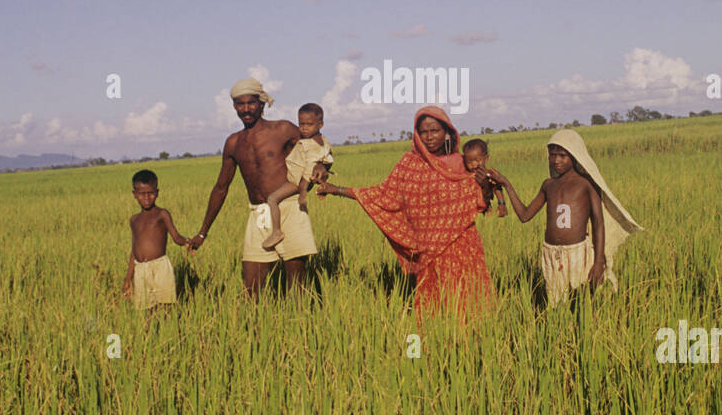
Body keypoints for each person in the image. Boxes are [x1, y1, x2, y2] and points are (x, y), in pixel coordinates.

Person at [318, 106, 494, 318]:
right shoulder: (409, 164)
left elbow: (481, 203)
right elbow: (382, 196)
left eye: (434, 131)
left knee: (467, 300)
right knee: (433, 310)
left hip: (462, 245)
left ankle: (474, 346)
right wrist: (336, 189)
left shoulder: (463, 164)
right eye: (424, 132)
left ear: (447, 132)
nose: (429, 137)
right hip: (427, 249)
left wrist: (485, 186)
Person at [191, 77, 315, 298]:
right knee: (251, 289)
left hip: (288, 208)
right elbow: (221, 188)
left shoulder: (283, 129)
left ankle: (302, 329)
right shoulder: (233, 143)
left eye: (251, 103)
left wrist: (320, 171)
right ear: (234, 106)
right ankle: (257, 331)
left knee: (297, 287)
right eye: (240, 104)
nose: (246, 109)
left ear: (262, 103)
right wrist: (202, 233)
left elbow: (315, 146)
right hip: (259, 213)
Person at [492, 128, 643, 303]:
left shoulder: (586, 184)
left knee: (584, 301)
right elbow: (525, 215)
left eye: (562, 155)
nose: (556, 160)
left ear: (574, 155)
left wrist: (599, 261)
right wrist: (507, 184)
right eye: (552, 155)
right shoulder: (549, 185)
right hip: (551, 253)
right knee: (556, 304)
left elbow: (598, 223)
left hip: (578, 252)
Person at [262, 103, 334, 250]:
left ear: (320, 124)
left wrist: (302, 193)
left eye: (309, 124)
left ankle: (276, 232)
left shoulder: (311, 145)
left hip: (297, 182)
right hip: (297, 179)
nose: (304, 128)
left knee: (272, 199)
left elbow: (308, 170)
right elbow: (328, 157)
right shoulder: (322, 140)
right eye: (301, 124)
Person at [121, 168, 195, 309]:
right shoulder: (134, 220)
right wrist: (127, 279)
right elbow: (134, 252)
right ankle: (151, 332)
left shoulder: (162, 214)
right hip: (140, 269)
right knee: (144, 310)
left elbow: (176, 237)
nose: (147, 198)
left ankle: (168, 330)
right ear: (134, 195)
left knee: (165, 307)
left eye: (151, 193)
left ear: (157, 193)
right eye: (142, 194)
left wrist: (187, 242)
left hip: (160, 267)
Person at [461, 138, 506, 217]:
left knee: (489, 220)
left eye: (478, 160)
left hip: (486, 206)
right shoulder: (465, 175)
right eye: (469, 162)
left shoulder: (490, 174)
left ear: (486, 158)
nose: (474, 164)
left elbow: (497, 188)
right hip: (469, 209)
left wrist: (501, 204)